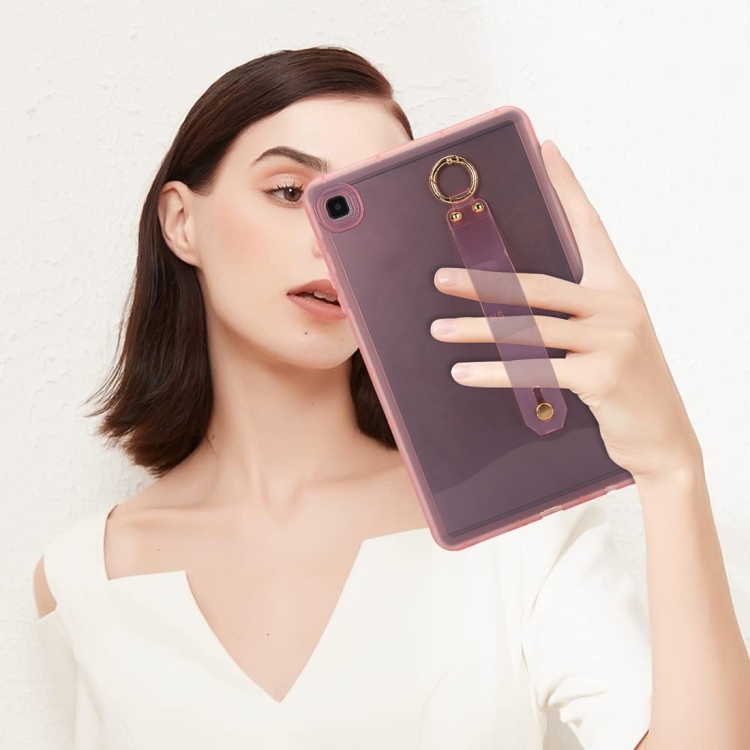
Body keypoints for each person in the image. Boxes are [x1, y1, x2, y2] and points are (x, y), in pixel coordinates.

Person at [32, 46, 749, 750]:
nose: (331, 245)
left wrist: (672, 468)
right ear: (181, 222)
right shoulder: (85, 577)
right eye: (290, 193)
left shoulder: (514, 536)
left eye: (359, 207)